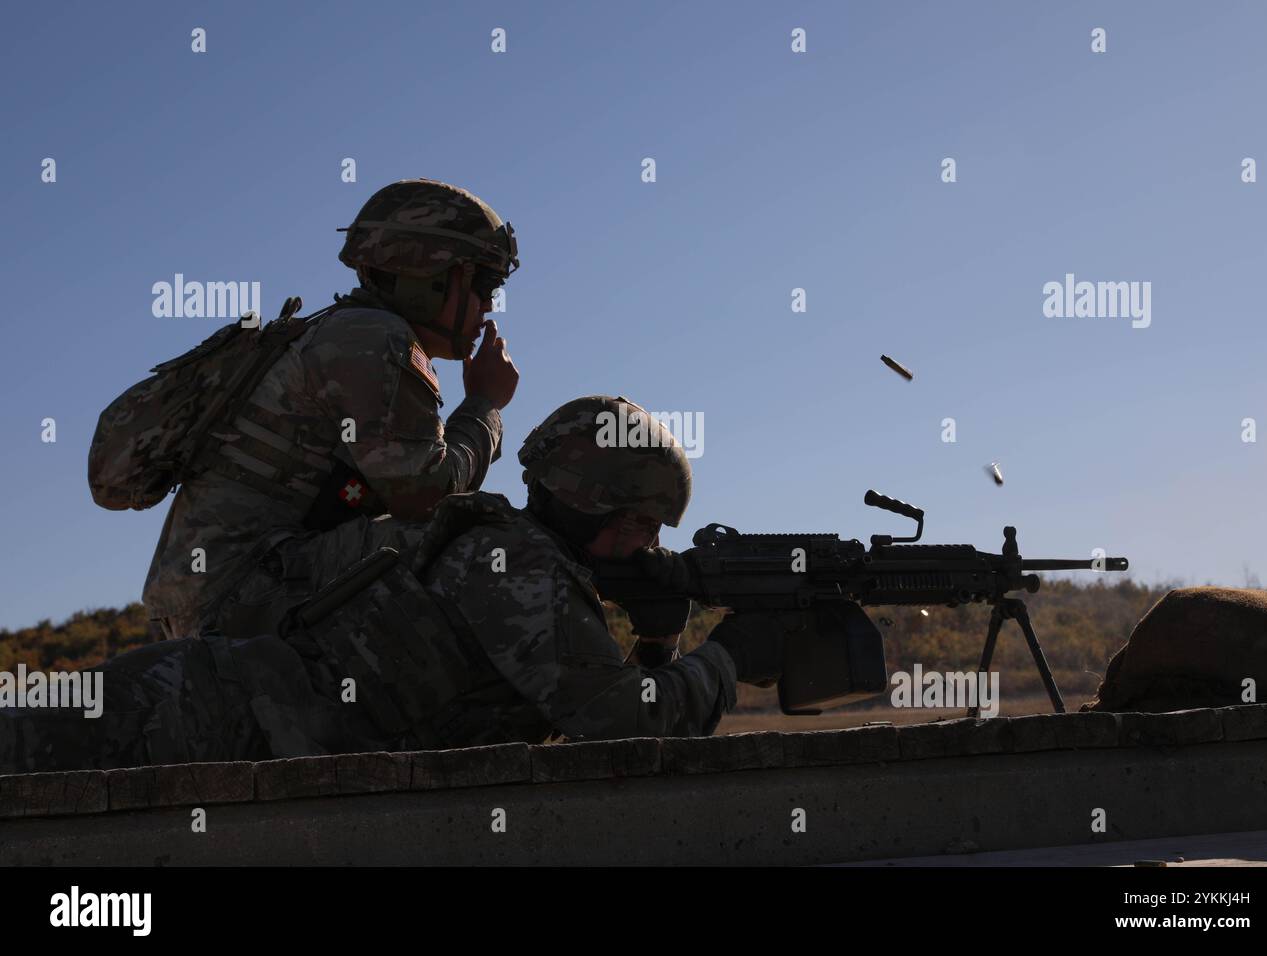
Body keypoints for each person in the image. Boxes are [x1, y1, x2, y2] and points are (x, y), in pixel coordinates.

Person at [2, 397, 790, 772]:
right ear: (597, 504)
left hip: (208, 710)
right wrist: (722, 660)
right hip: (193, 714)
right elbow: (621, 728)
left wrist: (659, 639)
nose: (652, 544)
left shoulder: (512, 552)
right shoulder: (516, 566)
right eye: (646, 523)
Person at [139, 178, 521, 642]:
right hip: (244, 593)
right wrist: (485, 404)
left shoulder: (341, 331)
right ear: (433, 275)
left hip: (216, 592)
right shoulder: (374, 339)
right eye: (484, 285)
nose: (488, 307)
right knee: (485, 539)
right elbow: (426, 494)